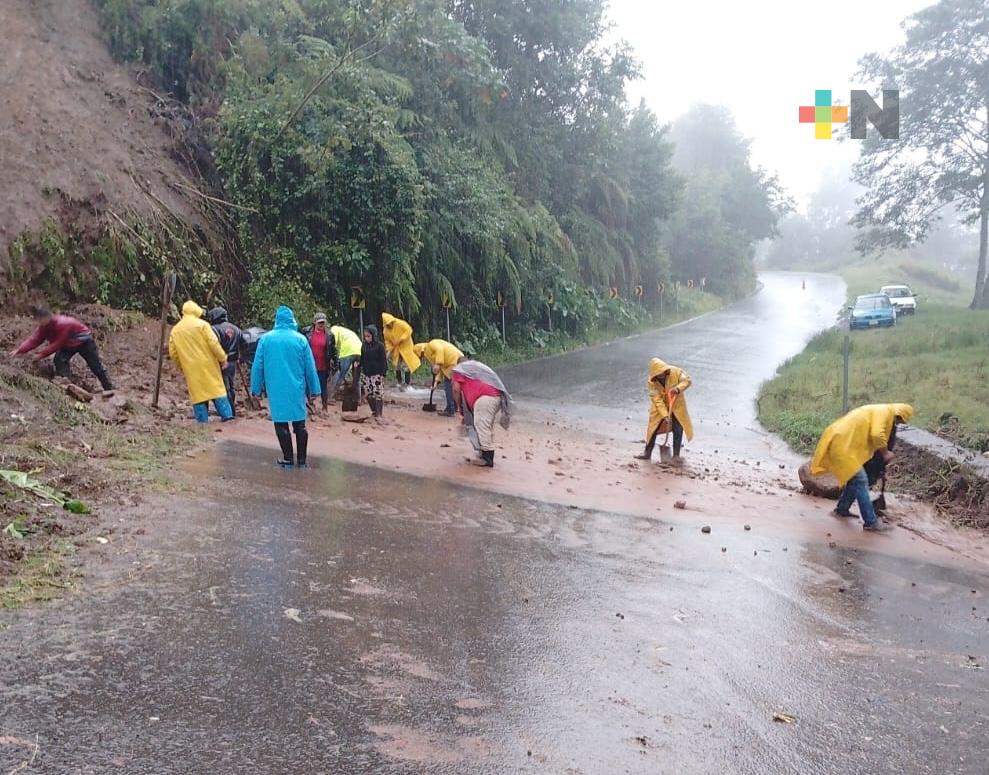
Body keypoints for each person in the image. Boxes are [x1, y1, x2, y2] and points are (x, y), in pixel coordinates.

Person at [810, 403, 914, 532]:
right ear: (899, 414)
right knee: (861, 480)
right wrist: (885, 453)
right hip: (841, 443)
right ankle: (871, 522)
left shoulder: (880, 410)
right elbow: (876, 434)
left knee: (855, 479)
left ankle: (842, 509)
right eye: (898, 420)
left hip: (843, 441)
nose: (897, 423)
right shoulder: (886, 412)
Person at [250, 305, 321, 467]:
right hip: (297, 387)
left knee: (281, 423)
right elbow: (310, 367)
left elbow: (258, 366)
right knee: (300, 424)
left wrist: (256, 388)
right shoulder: (301, 340)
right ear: (291, 320)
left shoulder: (266, 340)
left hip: (276, 389)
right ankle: (302, 461)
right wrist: (315, 390)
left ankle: (288, 459)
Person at [11, 306, 114, 392]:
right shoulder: (43, 327)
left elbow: (58, 343)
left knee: (95, 365)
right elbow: (34, 340)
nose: (38, 322)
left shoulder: (63, 323)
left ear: (45, 318)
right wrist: (19, 350)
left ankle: (109, 388)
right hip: (68, 344)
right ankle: (66, 384)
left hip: (83, 341)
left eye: (39, 319)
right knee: (59, 360)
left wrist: (41, 355)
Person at [168, 301, 232, 423]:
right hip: (209, 366)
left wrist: (181, 366)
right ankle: (228, 419)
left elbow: (173, 353)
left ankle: (202, 425)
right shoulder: (203, 325)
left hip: (191, 369)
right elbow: (213, 343)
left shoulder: (175, 331)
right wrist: (223, 359)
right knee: (217, 392)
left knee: (198, 396)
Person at [451, 359, 512, 468]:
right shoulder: (475, 370)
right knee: (486, 426)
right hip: (495, 396)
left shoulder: (459, 370)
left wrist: (458, 406)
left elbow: (456, 390)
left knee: (481, 424)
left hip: (485, 398)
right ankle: (485, 453)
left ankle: (487, 458)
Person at [635, 358, 693, 462]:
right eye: (658, 374)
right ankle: (647, 453)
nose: (661, 375)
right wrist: (665, 416)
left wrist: (678, 388)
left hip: (676, 405)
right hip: (659, 407)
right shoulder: (651, 382)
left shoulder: (676, 372)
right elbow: (657, 400)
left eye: (662, 373)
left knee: (678, 428)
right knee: (653, 428)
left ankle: (676, 455)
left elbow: (687, 380)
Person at [414, 339, 464, 416]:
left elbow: (440, 350)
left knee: (448, 384)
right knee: (453, 385)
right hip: (452, 362)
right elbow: (440, 369)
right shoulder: (429, 354)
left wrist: (438, 363)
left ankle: (450, 409)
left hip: (454, 360)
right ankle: (454, 407)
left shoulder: (431, 344)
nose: (421, 358)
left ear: (419, 351)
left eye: (419, 356)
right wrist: (436, 382)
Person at [207, 307, 242, 416]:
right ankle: (232, 410)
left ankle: (229, 412)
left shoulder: (214, 329)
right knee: (231, 385)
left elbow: (213, 345)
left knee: (223, 386)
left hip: (221, 361)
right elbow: (244, 343)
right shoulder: (236, 329)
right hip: (233, 361)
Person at [381, 313, 421, 388]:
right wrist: (388, 350)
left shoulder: (400, 323)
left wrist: (401, 339)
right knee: (397, 366)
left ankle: (407, 383)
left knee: (406, 365)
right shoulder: (385, 331)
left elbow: (409, 330)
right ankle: (399, 382)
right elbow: (387, 341)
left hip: (406, 346)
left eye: (390, 323)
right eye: (388, 324)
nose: (390, 325)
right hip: (396, 349)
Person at [304, 313, 334, 410]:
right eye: (319, 322)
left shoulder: (329, 335)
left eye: (323, 323)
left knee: (323, 387)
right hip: (310, 364)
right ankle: (310, 405)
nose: (321, 325)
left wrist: (335, 362)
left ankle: (324, 407)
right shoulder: (307, 333)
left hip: (323, 365)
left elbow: (333, 350)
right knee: (308, 385)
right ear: (314, 322)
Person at [327, 324, 363, 403]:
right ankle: (358, 399)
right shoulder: (346, 332)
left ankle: (330, 397)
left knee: (339, 374)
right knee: (356, 376)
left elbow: (334, 345)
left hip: (348, 351)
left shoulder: (334, 330)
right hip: (360, 351)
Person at [360, 324, 387, 419]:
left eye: (368, 336)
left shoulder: (380, 346)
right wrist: (359, 365)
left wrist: (383, 374)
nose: (366, 338)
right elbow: (362, 358)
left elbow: (383, 360)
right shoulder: (364, 346)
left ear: (373, 336)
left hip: (377, 374)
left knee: (378, 393)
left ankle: (379, 414)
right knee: (368, 393)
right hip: (366, 373)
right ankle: (374, 411)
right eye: (365, 336)